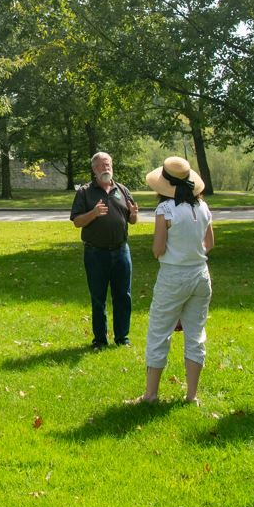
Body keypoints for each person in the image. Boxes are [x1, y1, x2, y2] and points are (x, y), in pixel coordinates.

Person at [135, 156, 214, 404]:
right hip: (200, 274)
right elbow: (209, 244)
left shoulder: (165, 210)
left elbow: (158, 249)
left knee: (159, 332)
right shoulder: (202, 207)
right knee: (195, 334)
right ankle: (191, 395)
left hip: (173, 275)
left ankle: (151, 395)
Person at [70, 151, 140, 348]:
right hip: (95, 253)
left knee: (123, 296)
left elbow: (132, 220)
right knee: (98, 297)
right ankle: (100, 340)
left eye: (108, 164)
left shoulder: (122, 190)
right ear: (94, 170)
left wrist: (134, 214)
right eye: (101, 165)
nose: (105, 168)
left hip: (121, 251)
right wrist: (93, 213)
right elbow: (76, 221)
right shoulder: (85, 192)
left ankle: (122, 338)